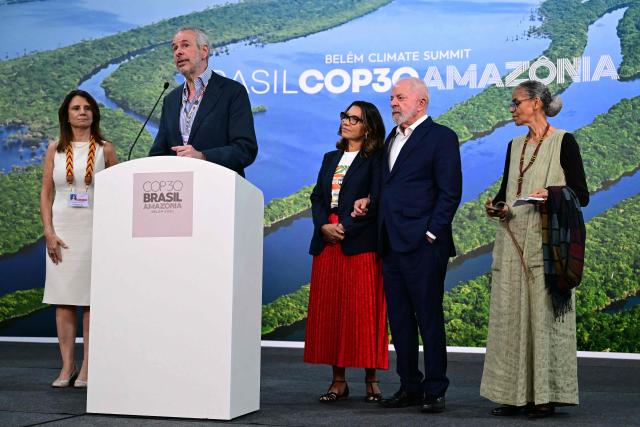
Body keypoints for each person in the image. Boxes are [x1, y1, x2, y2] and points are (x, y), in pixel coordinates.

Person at [480, 80, 589, 418]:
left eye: (516, 103)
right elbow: (505, 191)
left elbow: (581, 194)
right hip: (513, 242)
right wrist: (498, 206)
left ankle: (545, 395)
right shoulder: (515, 145)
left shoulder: (563, 142)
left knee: (543, 319)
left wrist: (552, 193)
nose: (511, 109)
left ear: (537, 104)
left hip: (547, 243)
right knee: (511, 317)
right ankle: (513, 396)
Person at [354, 77, 462, 413]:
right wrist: (369, 200)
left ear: (421, 102)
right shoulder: (392, 137)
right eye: (391, 98)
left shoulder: (442, 137)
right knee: (400, 320)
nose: (393, 104)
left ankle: (435, 389)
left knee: (428, 318)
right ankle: (409, 386)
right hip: (391, 243)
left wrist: (431, 234)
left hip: (424, 245)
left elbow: (449, 192)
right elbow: (390, 185)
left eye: (400, 98)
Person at [304, 101, 388, 403]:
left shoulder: (377, 158)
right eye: (345, 116)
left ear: (368, 127)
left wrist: (347, 227)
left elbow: (378, 199)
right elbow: (316, 197)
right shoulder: (330, 157)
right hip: (327, 241)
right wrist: (324, 226)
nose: (347, 122)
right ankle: (338, 381)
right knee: (332, 311)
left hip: (360, 242)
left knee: (364, 311)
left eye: (355, 118)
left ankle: (372, 381)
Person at [40, 89, 118, 388]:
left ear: (94, 114)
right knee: (63, 300)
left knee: (89, 302)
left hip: (95, 231)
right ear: (67, 114)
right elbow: (47, 192)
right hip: (62, 232)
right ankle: (66, 366)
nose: (82, 112)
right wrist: (49, 232)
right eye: (76, 108)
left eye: (87, 108)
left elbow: (118, 191)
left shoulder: (105, 149)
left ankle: (87, 367)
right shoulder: (55, 149)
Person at [149, 27, 257, 177]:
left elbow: (245, 149)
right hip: (177, 192)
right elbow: (158, 152)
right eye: (174, 48)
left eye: (185, 45)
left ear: (204, 51)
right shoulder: (171, 100)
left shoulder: (232, 92)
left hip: (218, 187)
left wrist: (203, 156)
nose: (178, 52)